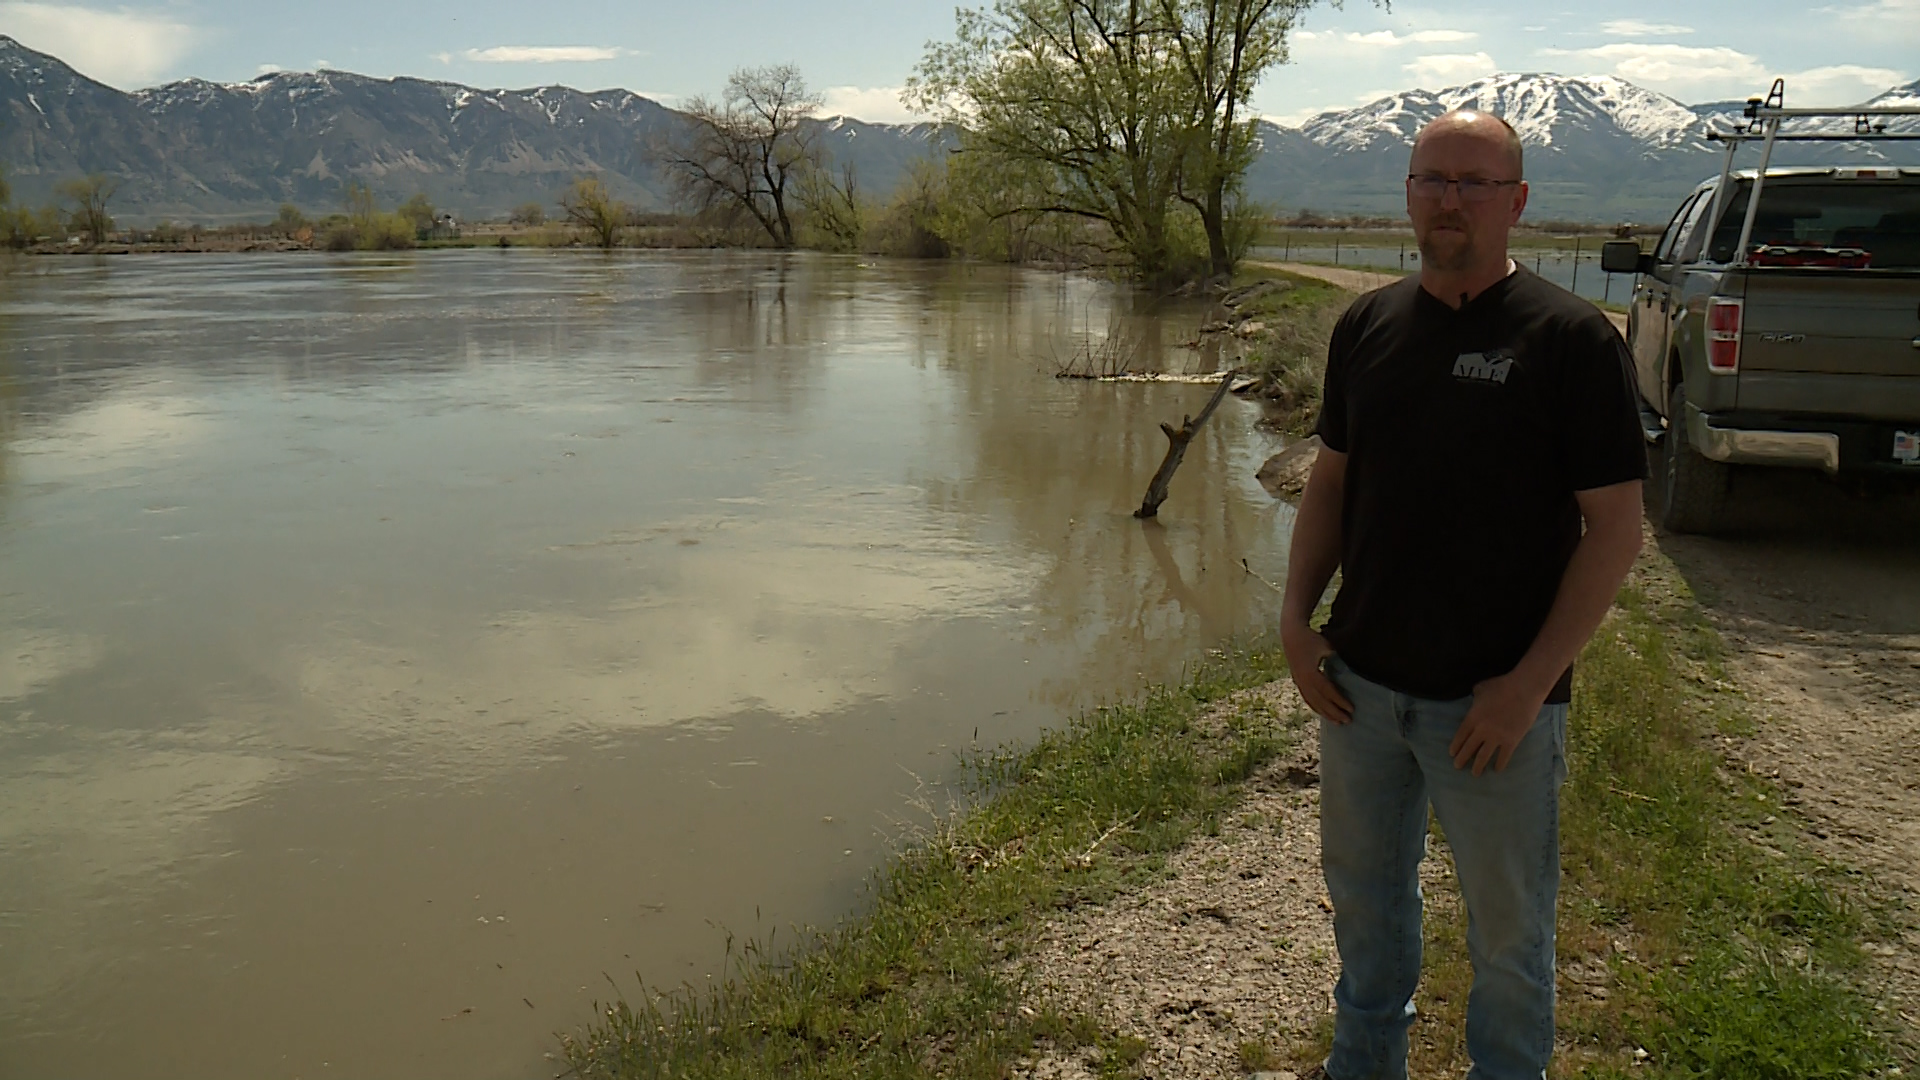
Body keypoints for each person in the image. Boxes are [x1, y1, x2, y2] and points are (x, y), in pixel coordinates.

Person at [1279, 109, 1648, 1080]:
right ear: (1406, 193)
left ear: (1517, 202)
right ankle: (1362, 1066)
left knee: (1509, 940)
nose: (1449, 199)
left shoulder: (1569, 340)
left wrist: (1528, 685)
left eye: (1474, 182)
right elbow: (1330, 482)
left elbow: (1615, 531)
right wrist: (1293, 624)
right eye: (1432, 178)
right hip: (1358, 693)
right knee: (1364, 908)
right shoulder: (1366, 325)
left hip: (1495, 709)